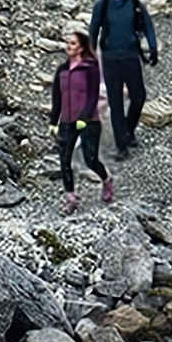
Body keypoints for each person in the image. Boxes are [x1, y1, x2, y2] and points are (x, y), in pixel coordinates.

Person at [90, 0, 160, 155]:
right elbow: (93, 31)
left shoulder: (134, 4)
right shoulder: (101, 6)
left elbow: (147, 26)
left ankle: (128, 131)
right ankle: (121, 145)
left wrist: (153, 48)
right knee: (116, 101)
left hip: (130, 57)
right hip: (111, 59)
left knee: (139, 97)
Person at [50, 26, 109, 207]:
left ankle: (106, 180)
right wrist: (53, 122)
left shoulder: (90, 68)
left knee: (90, 159)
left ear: (81, 47)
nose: (69, 46)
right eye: (68, 42)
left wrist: (83, 118)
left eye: (73, 43)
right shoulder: (62, 69)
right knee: (64, 160)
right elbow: (57, 97)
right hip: (67, 121)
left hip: (89, 122)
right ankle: (71, 198)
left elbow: (92, 95)